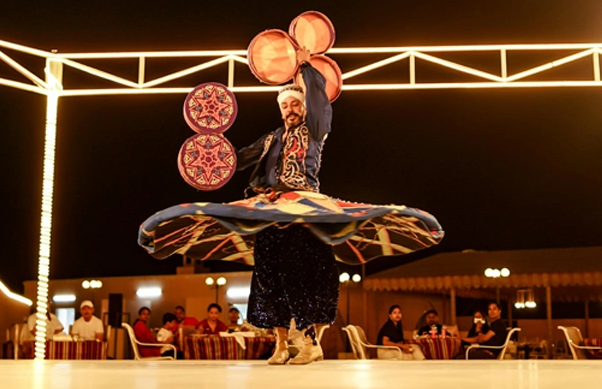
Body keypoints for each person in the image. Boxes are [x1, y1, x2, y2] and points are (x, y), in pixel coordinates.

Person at [138, 42, 444, 367]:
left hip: (305, 210)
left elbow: (320, 103)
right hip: (270, 208)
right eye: (285, 105)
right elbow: (235, 161)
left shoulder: (314, 131)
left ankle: (311, 343)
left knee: (301, 273)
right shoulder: (271, 139)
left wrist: (306, 66)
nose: (289, 109)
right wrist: (209, 152)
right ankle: (281, 344)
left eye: (295, 104)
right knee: (268, 275)